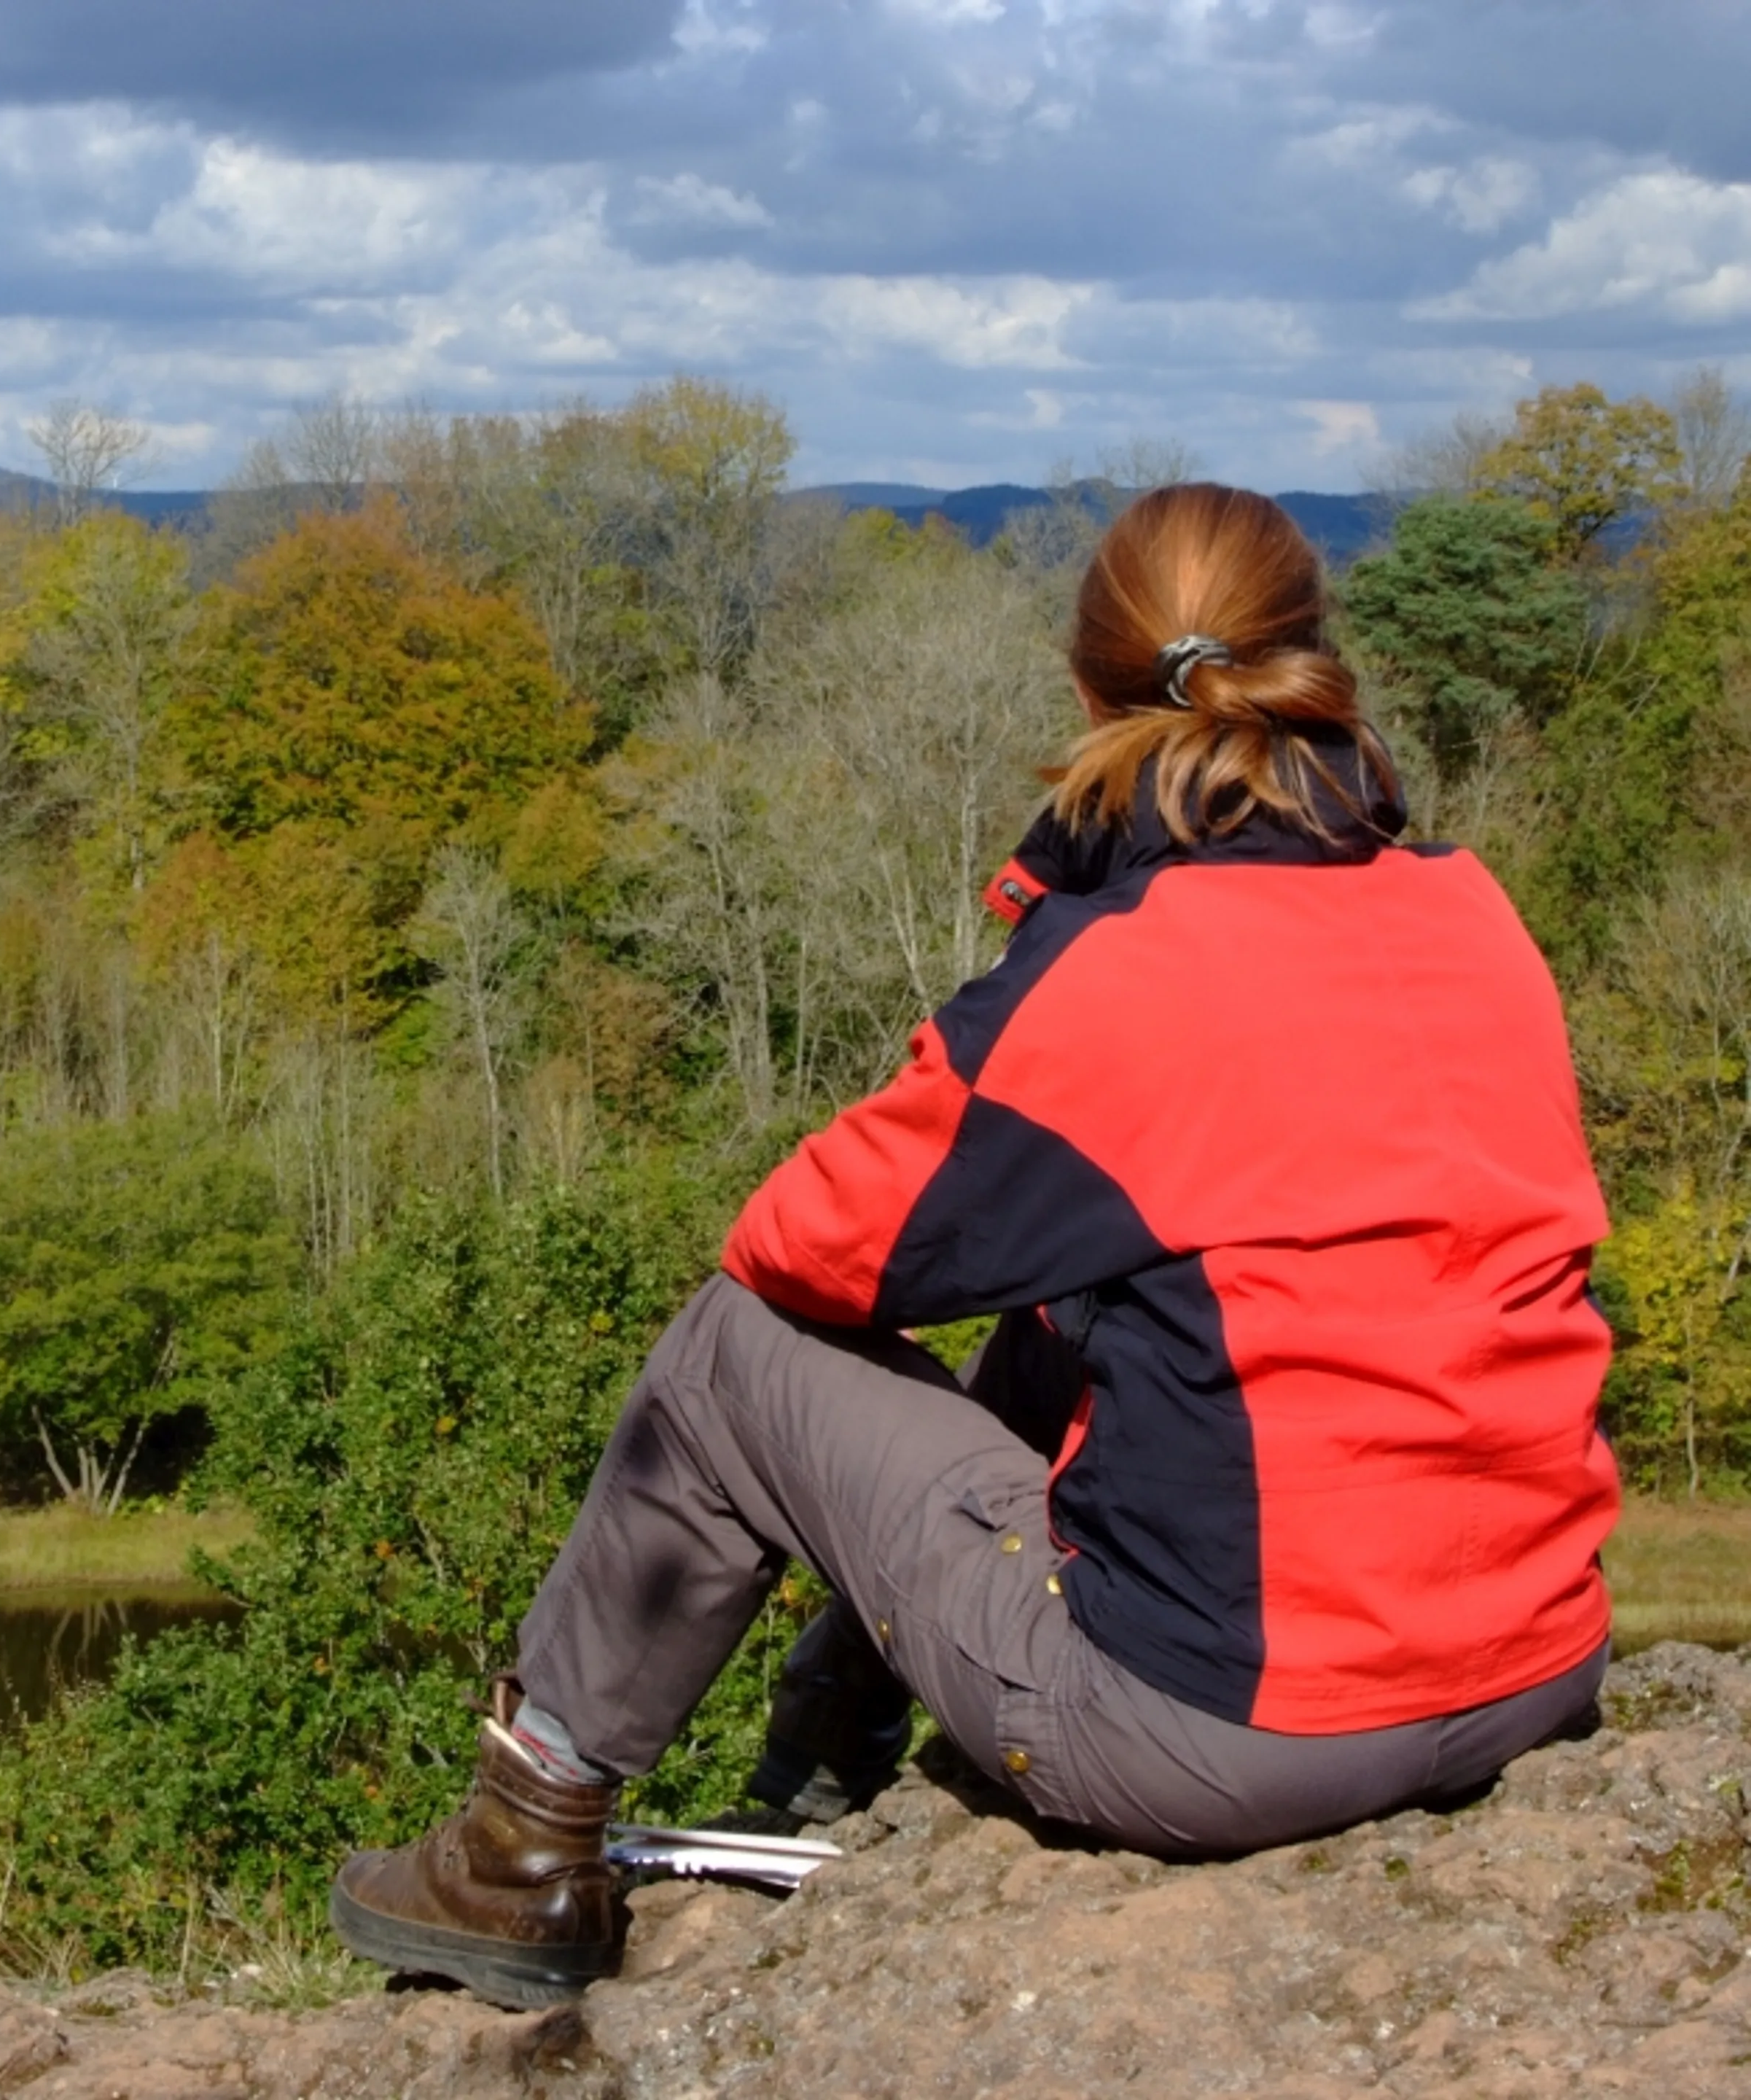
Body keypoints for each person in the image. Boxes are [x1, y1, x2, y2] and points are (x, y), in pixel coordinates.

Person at [329, 483, 1621, 2011]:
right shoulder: (1473, 915)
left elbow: (804, 1247)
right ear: (1312, 666)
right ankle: (824, 1751)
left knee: (735, 1348)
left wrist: (1039, 941)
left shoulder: (1125, 973)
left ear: (1085, 691)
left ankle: (523, 1842)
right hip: (1535, 1669)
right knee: (1094, 1310)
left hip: (1222, 1740)